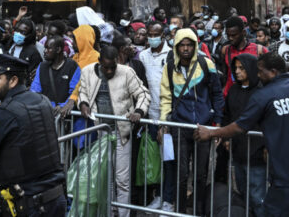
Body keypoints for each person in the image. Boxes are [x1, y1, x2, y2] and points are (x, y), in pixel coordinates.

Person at [194, 52, 289, 217]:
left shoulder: (263, 96)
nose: (258, 75)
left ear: (273, 72)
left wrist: (210, 133)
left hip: (288, 177)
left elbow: (239, 127)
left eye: (260, 71)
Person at [0, 54, 66, 216]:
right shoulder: (43, 101)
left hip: (28, 205)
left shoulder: (3, 114)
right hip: (56, 199)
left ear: (13, 81)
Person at [78, 46, 150, 217]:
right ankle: (110, 212)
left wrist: (138, 112)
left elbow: (143, 94)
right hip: (101, 130)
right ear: (99, 62)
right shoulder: (88, 71)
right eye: (106, 67)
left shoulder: (127, 72)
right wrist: (83, 104)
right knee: (107, 177)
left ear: (117, 62)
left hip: (121, 132)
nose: (109, 70)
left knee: (122, 180)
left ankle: (123, 214)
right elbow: (83, 92)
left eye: (113, 67)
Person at [159, 28, 224, 215]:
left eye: (189, 45)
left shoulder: (207, 64)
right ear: (176, 47)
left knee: (201, 174)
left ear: (195, 45)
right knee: (181, 175)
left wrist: (217, 124)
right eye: (182, 45)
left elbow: (217, 95)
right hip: (180, 126)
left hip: (203, 127)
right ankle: (179, 211)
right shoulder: (169, 67)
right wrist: (164, 124)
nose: (186, 49)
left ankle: (199, 211)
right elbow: (165, 97)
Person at [223, 54, 266, 216]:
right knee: (243, 191)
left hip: (256, 152)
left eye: (242, 68)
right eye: (235, 68)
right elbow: (228, 115)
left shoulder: (262, 91)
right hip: (238, 150)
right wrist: (227, 138)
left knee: (257, 195)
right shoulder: (233, 90)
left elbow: (269, 121)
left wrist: (267, 146)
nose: (237, 71)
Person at [139, 21, 175, 213]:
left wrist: (166, 121)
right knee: (156, 159)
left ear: (163, 36)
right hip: (150, 115)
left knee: (168, 160)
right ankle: (159, 196)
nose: (152, 37)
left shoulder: (171, 54)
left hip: (166, 116)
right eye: (149, 34)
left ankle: (168, 199)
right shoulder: (143, 56)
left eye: (156, 34)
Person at [31, 36, 81, 115]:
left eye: (48, 48)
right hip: (46, 112)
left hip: (65, 116)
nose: (45, 51)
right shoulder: (42, 66)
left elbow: (74, 91)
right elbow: (35, 90)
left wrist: (63, 106)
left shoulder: (72, 66)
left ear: (58, 50)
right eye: (45, 48)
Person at [222, 16, 268, 96]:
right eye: (228, 35)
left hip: (254, 95)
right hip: (231, 95)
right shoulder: (225, 50)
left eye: (233, 35)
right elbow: (225, 74)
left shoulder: (259, 50)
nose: (230, 38)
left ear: (243, 33)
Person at [8, 18, 42, 83]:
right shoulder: (9, 44)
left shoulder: (33, 52)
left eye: (23, 32)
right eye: (17, 30)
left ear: (29, 35)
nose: (18, 34)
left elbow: (32, 76)